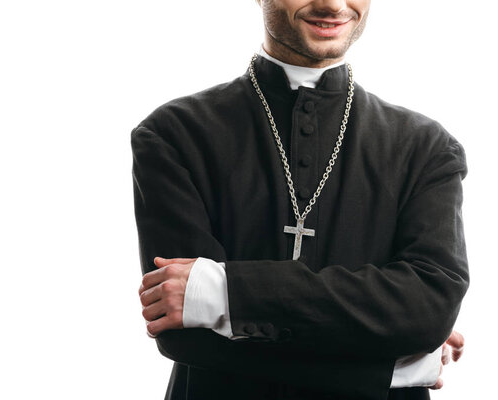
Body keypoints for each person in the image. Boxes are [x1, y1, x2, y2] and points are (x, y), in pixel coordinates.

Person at [132, 0, 469, 399]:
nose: (331, 4)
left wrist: (226, 292)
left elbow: (428, 309)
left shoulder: (427, 147)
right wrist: (390, 370)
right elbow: (186, 336)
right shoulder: (174, 134)